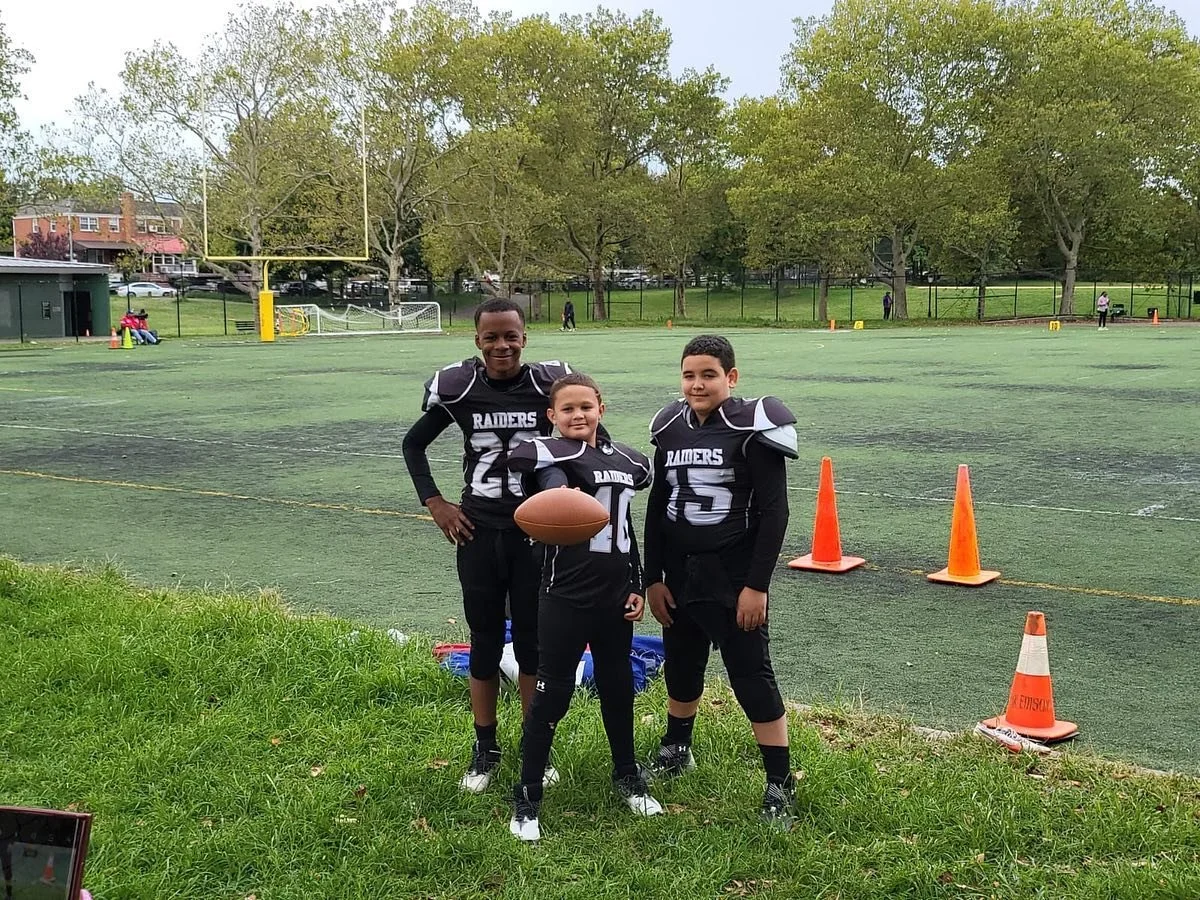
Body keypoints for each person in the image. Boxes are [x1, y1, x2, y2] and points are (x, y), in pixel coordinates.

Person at [402, 297, 574, 793]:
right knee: (484, 639)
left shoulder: (550, 385)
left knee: (531, 643)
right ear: (477, 340)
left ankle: (533, 745)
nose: (502, 345)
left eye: (511, 335)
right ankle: (485, 745)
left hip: (533, 533)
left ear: (525, 337)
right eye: (492, 337)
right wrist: (434, 502)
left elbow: (586, 437)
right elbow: (414, 444)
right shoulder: (460, 387)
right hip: (478, 530)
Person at [643, 334, 800, 825]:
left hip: (733, 574)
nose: (697, 384)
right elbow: (656, 508)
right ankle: (676, 748)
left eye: (709, 374)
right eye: (689, 374)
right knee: (682, 667)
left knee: (751, 675)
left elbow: (774, 512)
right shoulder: (669, 425)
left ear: (731, 377)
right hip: (680, 571)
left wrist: (757, 585)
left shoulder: (754, 423)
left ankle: (780, 780)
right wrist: (653, 577)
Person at [505, 373, 662, 841]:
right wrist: (559, 494)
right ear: (551, 415)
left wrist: (636, 584)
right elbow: (551, 481)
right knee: (552, 695)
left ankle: (627, 775)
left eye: (585, 407)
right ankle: (528, 795)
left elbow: (627, 528)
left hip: (614, 595)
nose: (578, 415)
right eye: (567, 409)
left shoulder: (628, 460)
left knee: (618, 689)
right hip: (565, 595)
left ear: (601, 410)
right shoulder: (547, 455)